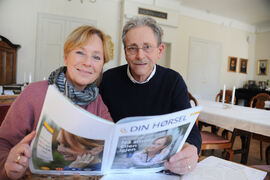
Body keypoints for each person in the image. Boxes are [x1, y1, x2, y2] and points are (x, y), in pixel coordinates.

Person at [0, 25, 113, 179]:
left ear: (101, 66)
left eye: (96, 57)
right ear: (66, 57)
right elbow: (3, 143)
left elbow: (111, 148)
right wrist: (8, 166)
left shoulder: (97, 100)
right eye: (80, 52)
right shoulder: (34, 93)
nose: (88, 63)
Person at [99, 16, 201, 175]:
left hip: (161, 170)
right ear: (125, 52)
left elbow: (191, 131)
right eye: (132, 48)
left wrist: (191, 150)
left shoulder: (173, 81)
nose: (140, 56)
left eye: (147, 47)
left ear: (159, 51)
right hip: (116, 171)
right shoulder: (107, 80)